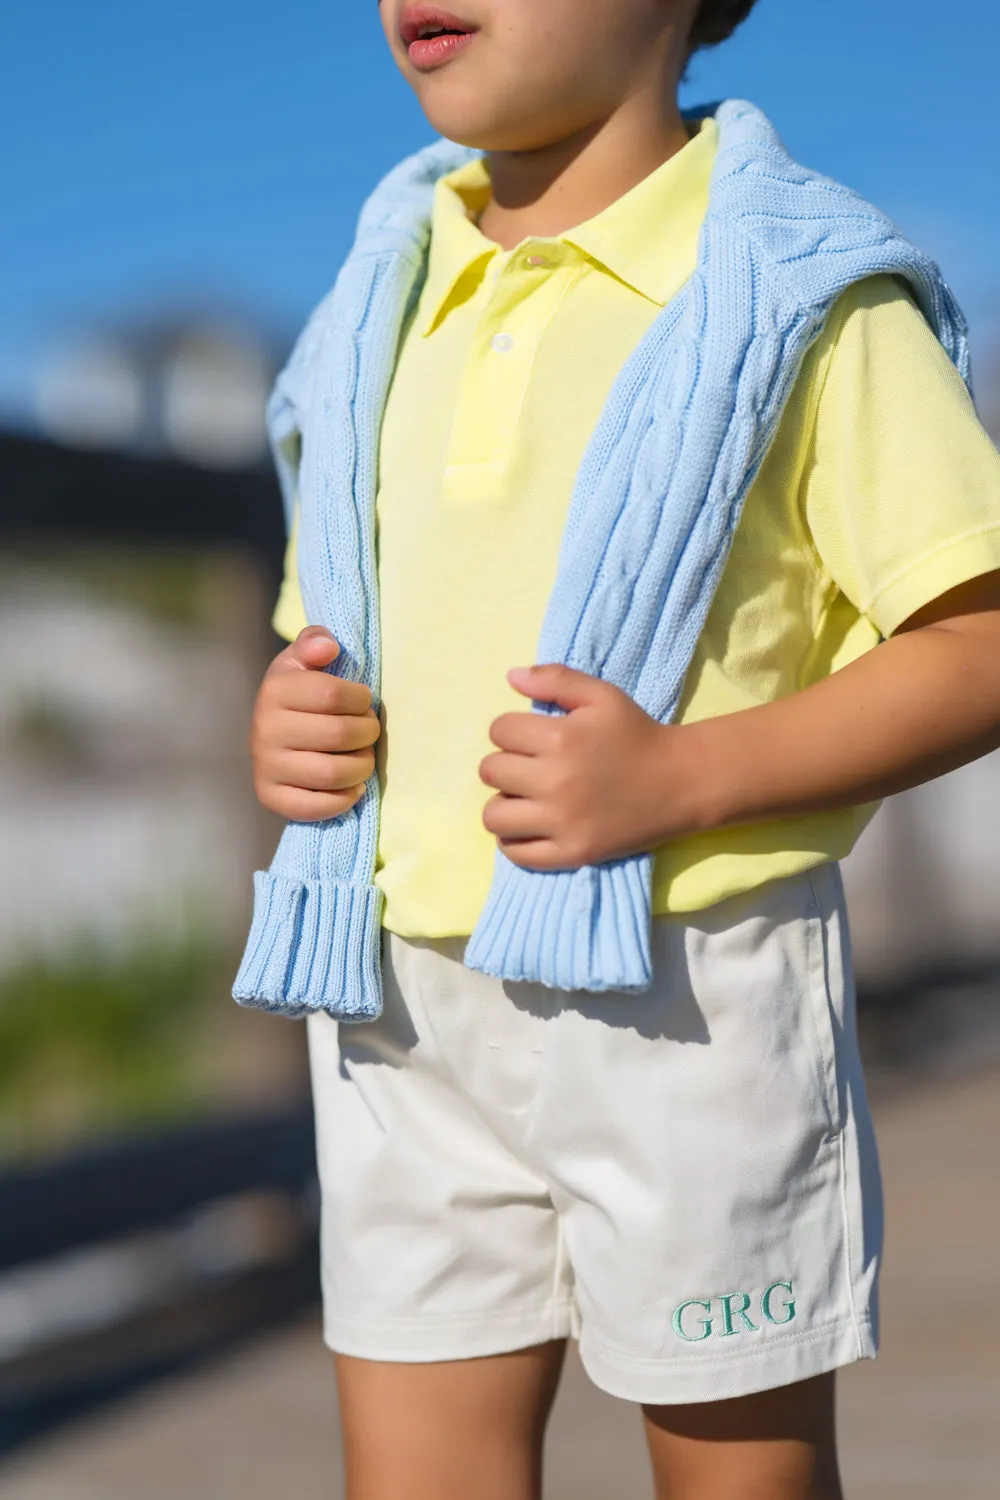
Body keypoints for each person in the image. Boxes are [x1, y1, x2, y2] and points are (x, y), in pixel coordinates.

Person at [238, 2, 1000, 1496]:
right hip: (397, 998)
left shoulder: (800, 289)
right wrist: (295, 722)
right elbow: (327, 627)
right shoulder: (371, 301)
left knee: (737, 1474)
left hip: (688, 986)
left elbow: (975, 640)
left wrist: (681, 779)